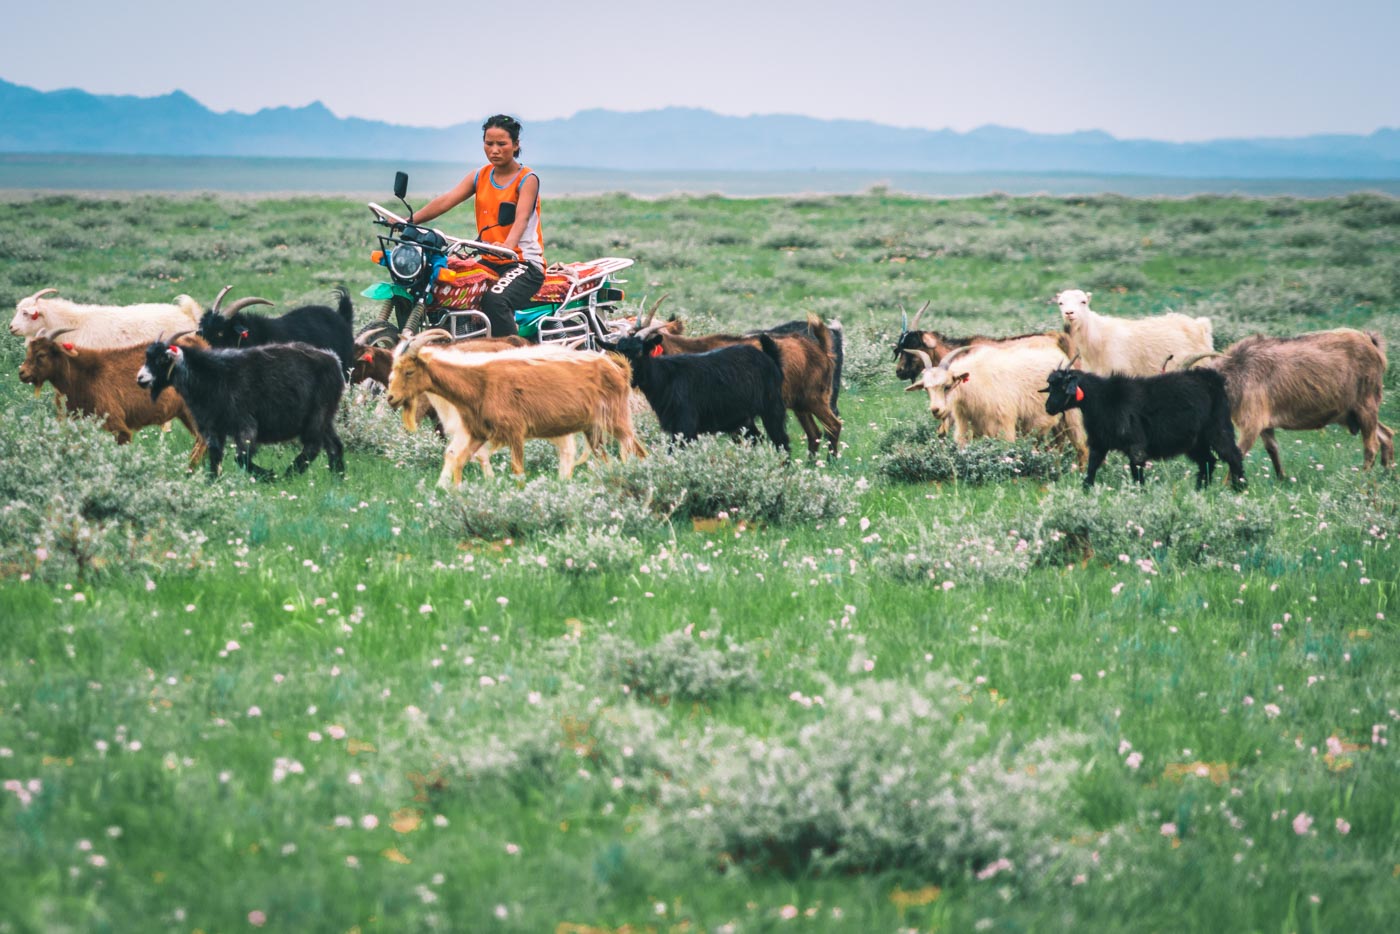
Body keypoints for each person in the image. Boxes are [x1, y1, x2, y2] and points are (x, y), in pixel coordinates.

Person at [410, 114, 545, 336]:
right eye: (489, 143)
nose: (494, 150)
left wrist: (508, 246)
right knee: (444, 286)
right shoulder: (480, 176)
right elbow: (446, 200)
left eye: (502, 144)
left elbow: (521, 218)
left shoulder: (527, 179)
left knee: (495, 301)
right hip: (490, 259)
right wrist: (409, 221)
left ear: (516, 145)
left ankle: (511, 358)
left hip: (522, 263)